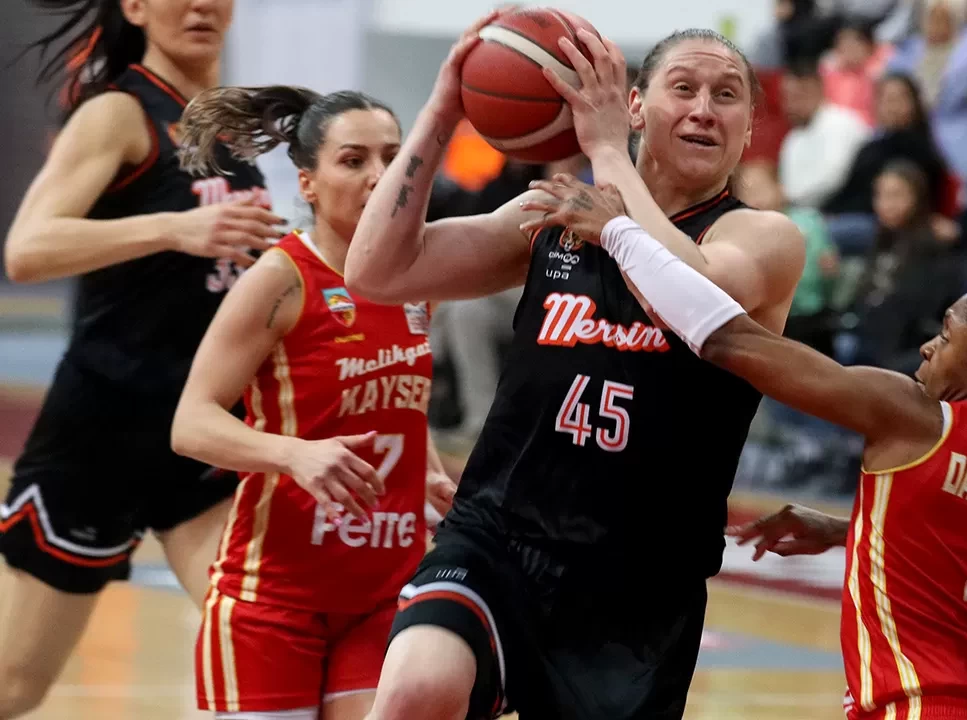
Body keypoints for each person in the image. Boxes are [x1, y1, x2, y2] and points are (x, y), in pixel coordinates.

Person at [524, 174, 967, 720]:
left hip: (917, 706)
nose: (928, 346)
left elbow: (729, 339)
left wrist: (619, 231)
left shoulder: (914, 417)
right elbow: (949, 554)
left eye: (948, 336)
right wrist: (853, 530)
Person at [344, 11, 806, 720]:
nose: (704, 109)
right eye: (683, 88)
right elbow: (377, 271)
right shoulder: (554, 214)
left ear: (748, 130)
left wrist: (610, 157)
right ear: (636, 105)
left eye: (727, 95)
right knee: (416, 690)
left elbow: (693, 293)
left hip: (640, 581)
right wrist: (441, 112)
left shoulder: (763, 237)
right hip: (499, 535)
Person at [0, 2, 279, 716]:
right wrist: (175, 228)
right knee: (15, 685)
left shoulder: (226, 124)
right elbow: (27, 249)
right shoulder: (118, 113)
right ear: (135, 7)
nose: (199, 5)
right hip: (102, 433)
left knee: (260, 643)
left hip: (197, 434)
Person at [167, 85, 456, 720]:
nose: (380, 175)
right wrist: (295, 455)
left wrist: (428, 472)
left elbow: (396, 403)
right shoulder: (281, 278)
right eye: (354, 160)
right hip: (274, 599)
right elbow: (190, 423)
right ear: (308, 184)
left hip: (385, 588)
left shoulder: (418, 276)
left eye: (393, 157)